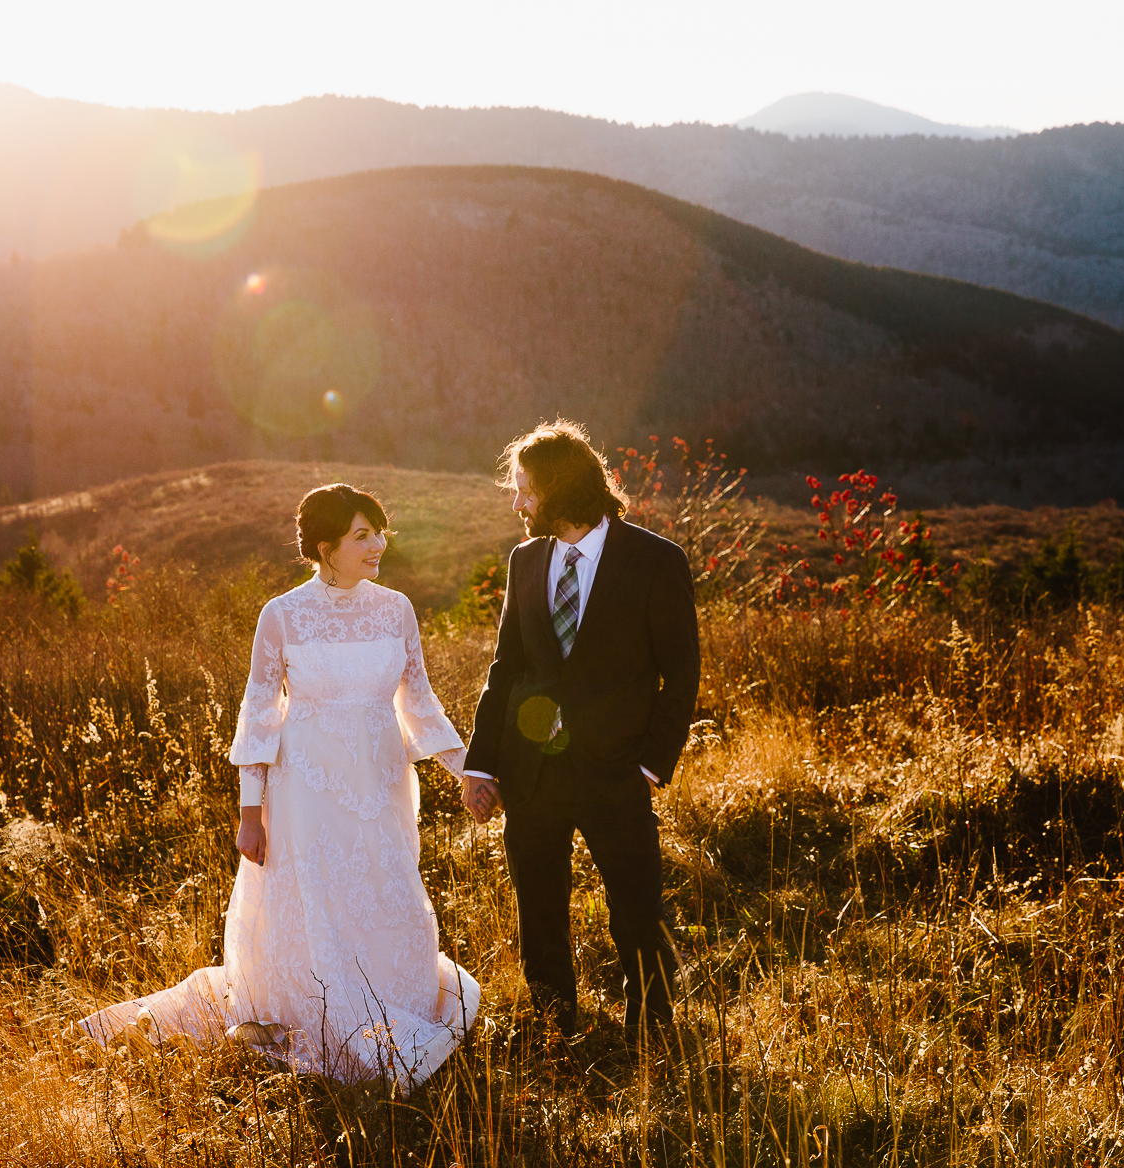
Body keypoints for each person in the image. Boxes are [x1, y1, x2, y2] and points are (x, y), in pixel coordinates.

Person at [76, 484, 479, 1088]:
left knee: (388, 893)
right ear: (325, 546)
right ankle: (314, 1015)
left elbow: (418, 703)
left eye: (379, 532)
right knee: (318, 904)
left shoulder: (397, 609)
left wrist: (469, 771)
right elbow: (259, 716)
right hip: (305, 792)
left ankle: (392, 1003)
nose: (378, 544)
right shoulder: (282, 615)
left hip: (381, 787)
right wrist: (250, 812)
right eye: (362, 535)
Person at [461, 420, 701, 1041]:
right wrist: (481, 764)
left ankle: (651, 1032)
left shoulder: (655, 561)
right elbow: (506, 667)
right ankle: (553, 1028)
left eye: (526, 490)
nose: (517, 503)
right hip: (531, 771)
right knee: (539, 910)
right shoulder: (525, 560)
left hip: (617, 771)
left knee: (637, 911)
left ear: (561, 488)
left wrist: (649, 765)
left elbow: (681, 676)